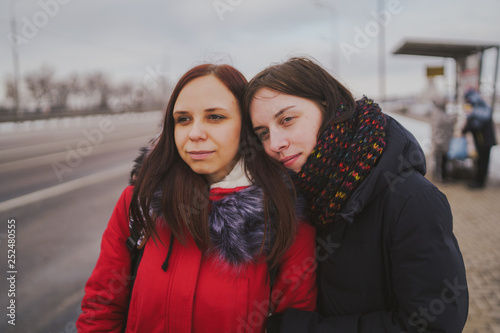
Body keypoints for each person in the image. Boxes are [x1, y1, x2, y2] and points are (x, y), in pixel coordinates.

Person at [76, 63, 317, 332]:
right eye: (183, 119)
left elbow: (296, 322)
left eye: (215, 117)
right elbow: (101, 310)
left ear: (246, 127)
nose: (195, 133)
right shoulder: (140, 202)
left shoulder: (282, 213)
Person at [243, 57, 469, 332]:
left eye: (287, 120)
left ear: (329, 107)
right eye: (263, 133)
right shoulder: (303, 196)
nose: (275, 144)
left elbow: (434, 326)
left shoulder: (411, 200)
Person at [462, 88, 497, 189]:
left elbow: (476, 125)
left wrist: (465, 129)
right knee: (481, 161)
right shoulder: (482, 107)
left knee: (483, 161)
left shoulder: (479, 109)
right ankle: (478, 181)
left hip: (484, 141)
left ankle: (479, 183)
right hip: (483, 140)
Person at [430, 96, 456, 182]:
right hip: (440, 139)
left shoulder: (440, 111)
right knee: (439, 158)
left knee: (442, 158)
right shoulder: (438, 112)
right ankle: (439, 176)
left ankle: (442, 176)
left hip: (442, 139)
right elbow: (439, 125)